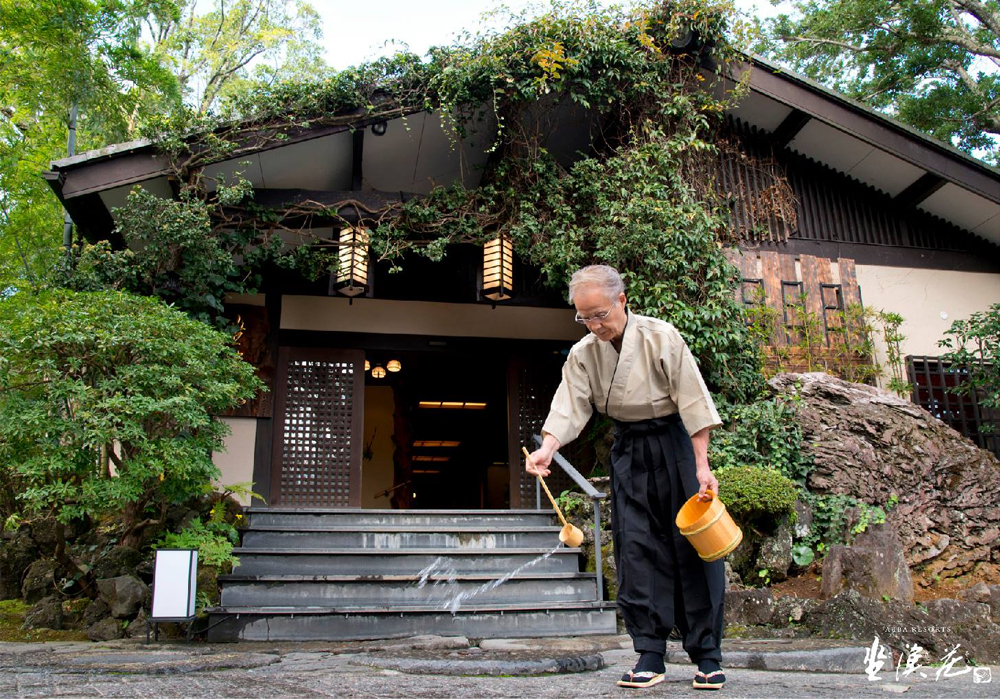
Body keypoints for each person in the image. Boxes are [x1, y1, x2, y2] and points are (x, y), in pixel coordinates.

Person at [526, 264, 727, 691]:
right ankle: (650, 652)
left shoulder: (661, 336)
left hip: (674, 444)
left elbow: (693, 401)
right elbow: (569, 405)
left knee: (693, 546)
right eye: (584, 317)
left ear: (621, 300)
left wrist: (702, 466)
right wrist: (548, 448)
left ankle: (708, 655)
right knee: (636, 549)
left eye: (600, 314)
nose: (594, 325)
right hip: (629, 450)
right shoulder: (584, 353)